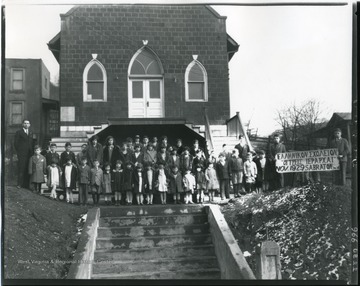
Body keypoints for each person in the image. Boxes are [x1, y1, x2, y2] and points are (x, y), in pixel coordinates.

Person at [14, 119, 34, 188]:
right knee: (21, 168)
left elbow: (33, 143)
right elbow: (16, 143)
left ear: (29, 125)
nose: (26, 124)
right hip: (22, 154)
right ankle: (19, 184)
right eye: (25, 123)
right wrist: (18, 152)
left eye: (27, 123)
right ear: (22, 124)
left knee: (28, 168)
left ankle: (26, 185)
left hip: (29, 154)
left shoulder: (31, 132)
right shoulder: (19, 132)